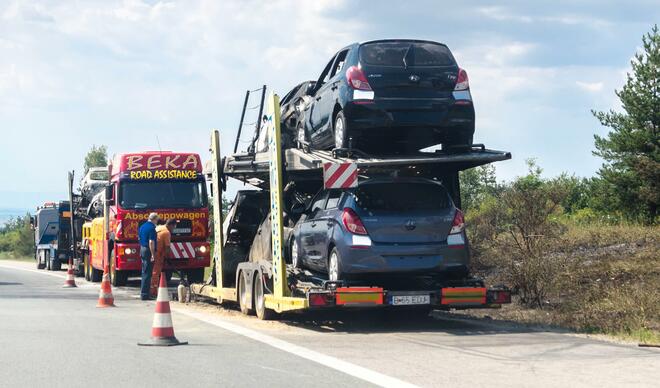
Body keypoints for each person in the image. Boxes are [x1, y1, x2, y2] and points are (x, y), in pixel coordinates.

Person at [150, 219, 176, 296]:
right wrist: (168, 257)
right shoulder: (167, 232)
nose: (173, 229)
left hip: (151, 251)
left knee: (151, 271)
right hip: (158, 253)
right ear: (171, 225)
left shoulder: (159, 227)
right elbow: (167, 247)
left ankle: (151, 289)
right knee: (156, 272)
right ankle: (153, 291)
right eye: (174, 227)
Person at [138, 212, 158, 300]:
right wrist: (153, 254)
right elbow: (151, 242)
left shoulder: (142, 227)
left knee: (144, 271)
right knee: (147, 273)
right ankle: (145, 294)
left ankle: (144, 293)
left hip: (142, 248)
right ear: (154, 219)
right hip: (148, 250)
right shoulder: (152, 228)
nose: (157, 222)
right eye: (157, 220)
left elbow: (139, 238)